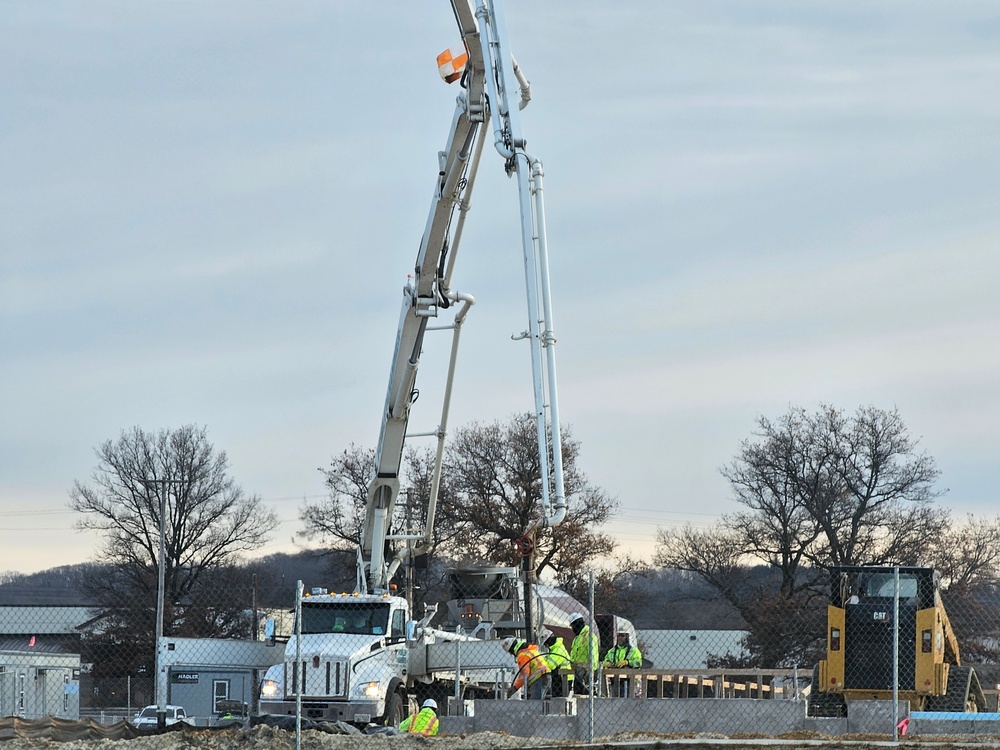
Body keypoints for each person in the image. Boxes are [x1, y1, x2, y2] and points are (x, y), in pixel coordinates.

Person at [602, 631, 642, 698]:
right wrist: (606, 663)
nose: (620, 638)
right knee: (615, 699)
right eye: (618, 636)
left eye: (622, 636)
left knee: (627, 700)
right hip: (615, 680)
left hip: (629, 681)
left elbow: (638, 663)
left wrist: (628, 662)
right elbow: (605, 660)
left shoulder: (634, 651)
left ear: (627, 637)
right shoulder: (612, 650)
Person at [568, 613, 599, 696]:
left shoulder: (589, 636)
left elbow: (593, 655)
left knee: (587, 695)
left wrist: (590, 671)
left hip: (587, 674)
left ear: (576, 624)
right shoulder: (577, 639)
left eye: (572, 626)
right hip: (578, 673)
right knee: (578, 695)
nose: (572, 629)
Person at [543, 633, 573, 698]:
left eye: (546, 644)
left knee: (560, 699)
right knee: (557, 698)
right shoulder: (554, 649)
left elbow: (550, 665)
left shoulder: (558, 650)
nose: (546, 646)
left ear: (549, 641)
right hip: (560, 678)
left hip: (564, 680)